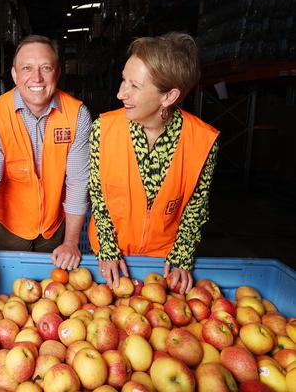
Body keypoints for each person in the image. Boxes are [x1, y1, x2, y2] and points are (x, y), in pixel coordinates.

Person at [0, 35, 91, 293]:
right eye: (27, 68)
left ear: (57, 73)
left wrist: (72, 242)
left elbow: (78, 184)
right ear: (15, 75)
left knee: (53, 292)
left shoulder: (77, 115)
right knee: (13, 291)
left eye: (46, 68)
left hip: (56, 225)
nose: (36, 78)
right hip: (12, 225)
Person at [88, 32, 219, 294]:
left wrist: (182, 255)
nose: (120, 93)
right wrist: (107, 248)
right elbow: (99, 196)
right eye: (123, 80)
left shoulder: (202, 141)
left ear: (168, 97)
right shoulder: (103, 129)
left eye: (134, 86)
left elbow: (196, 207)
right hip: (110, 257)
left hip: (163, 264)